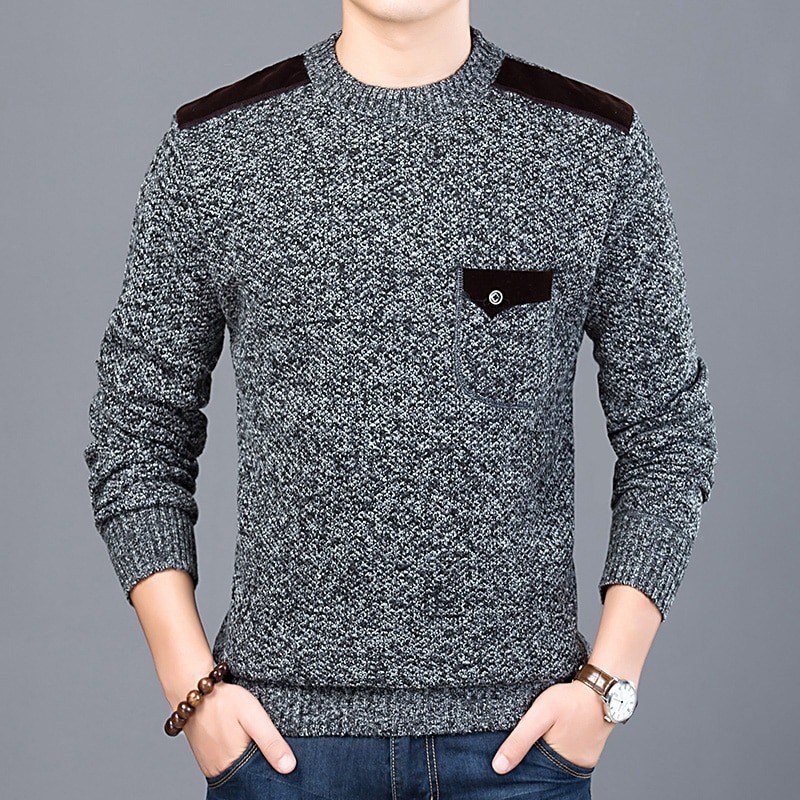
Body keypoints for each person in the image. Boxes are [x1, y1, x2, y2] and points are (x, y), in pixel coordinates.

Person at [82, 2, 718, 798]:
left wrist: (607, 685)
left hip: (519, 750)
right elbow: (135, 434)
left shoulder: (591, 146)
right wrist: (191, 688)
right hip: (281, 747)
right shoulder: (215, 148)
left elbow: (670, 434)